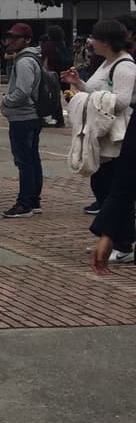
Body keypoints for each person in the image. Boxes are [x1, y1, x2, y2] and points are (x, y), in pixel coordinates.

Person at [62, 20, 136, 262]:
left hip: (117, 136)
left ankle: (122, 243)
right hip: (103, 135)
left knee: (114, 189)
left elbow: (121, 101)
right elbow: (98, 92)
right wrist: (78, 85)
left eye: (94, 38)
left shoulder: (124, 66)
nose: (91, 42)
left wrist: (91, 99)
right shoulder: (107, 63)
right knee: (102, 185)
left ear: (106, 41)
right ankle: (111, 237)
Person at [0, 23, 44, 218]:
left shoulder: (24, 61)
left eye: (16, 37)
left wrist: (6, 101)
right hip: (31, 116)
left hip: (23, 117)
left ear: (27, 40)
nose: (11, 41)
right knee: (32, 159)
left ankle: (25, 203)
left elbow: (23, 91)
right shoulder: (32, 58)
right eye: (10, 36)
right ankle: (33, 200)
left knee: (24, 161)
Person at [40, 24, 70, 127]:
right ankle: (79, 111)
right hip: (64, 73)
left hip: (53, 74)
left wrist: (44, 72)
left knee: (54, 97)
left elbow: (45, 60)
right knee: (67, 94)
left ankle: (58, 119)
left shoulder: (47, 45)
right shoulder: (63, 44)